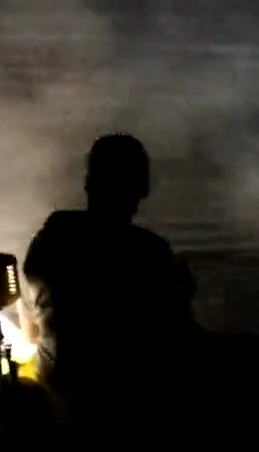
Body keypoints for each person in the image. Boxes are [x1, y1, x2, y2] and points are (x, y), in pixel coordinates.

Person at [18, 134, 197, 419]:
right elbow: (183, 339)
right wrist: (183, 292)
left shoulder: (48, 239)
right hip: (120, 402)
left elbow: (31, 326)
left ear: (89, 184)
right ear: (140, 188)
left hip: (55, 389)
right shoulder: (150, 252)